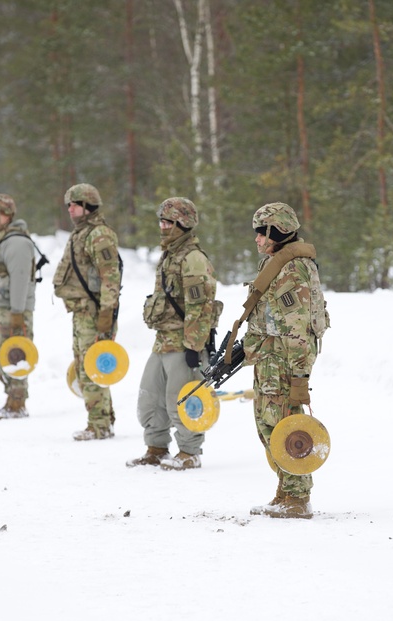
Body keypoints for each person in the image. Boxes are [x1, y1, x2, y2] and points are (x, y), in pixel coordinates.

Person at [242, 202, 329, 518]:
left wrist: (298, 376)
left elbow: (295, 326)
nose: (257, 240)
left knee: (284, 425)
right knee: (269, 425)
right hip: (270, 358)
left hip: (284, 362)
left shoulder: (292, 269)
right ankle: (286, 490)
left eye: (260, 233)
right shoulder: (278, 263)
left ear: (274, 230)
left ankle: (297, 497)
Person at [129, 197, 220, 470]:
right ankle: (156, 448)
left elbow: (200, 307)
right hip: (163, 341)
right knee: (150, 398)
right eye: (162, 221)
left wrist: (193, 347)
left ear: (183, 224)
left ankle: (190, 452)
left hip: (183, 344)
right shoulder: (171, 255)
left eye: (168, 222)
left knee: (182, 399)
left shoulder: (192, 259)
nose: (163, 227)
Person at [53, 183, 122, 441]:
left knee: (92, 367)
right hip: (82, 312)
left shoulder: (99, 235)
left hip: (94, 313)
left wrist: (106, 314)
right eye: (68, 204)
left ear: (87, 206)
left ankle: (100, 424)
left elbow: (110, 277)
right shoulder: (81, 233)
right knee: (85, 366)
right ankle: (102, 419)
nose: (70, 209)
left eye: (74, 204)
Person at [0, 193, 38, 420]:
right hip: (2, 309)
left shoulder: (16, 242)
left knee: (16, 353)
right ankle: (11, 398)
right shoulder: (3, 238)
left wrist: (16, 312)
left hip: (12, 310)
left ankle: (17, 403)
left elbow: (20, 279)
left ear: (8, 215)